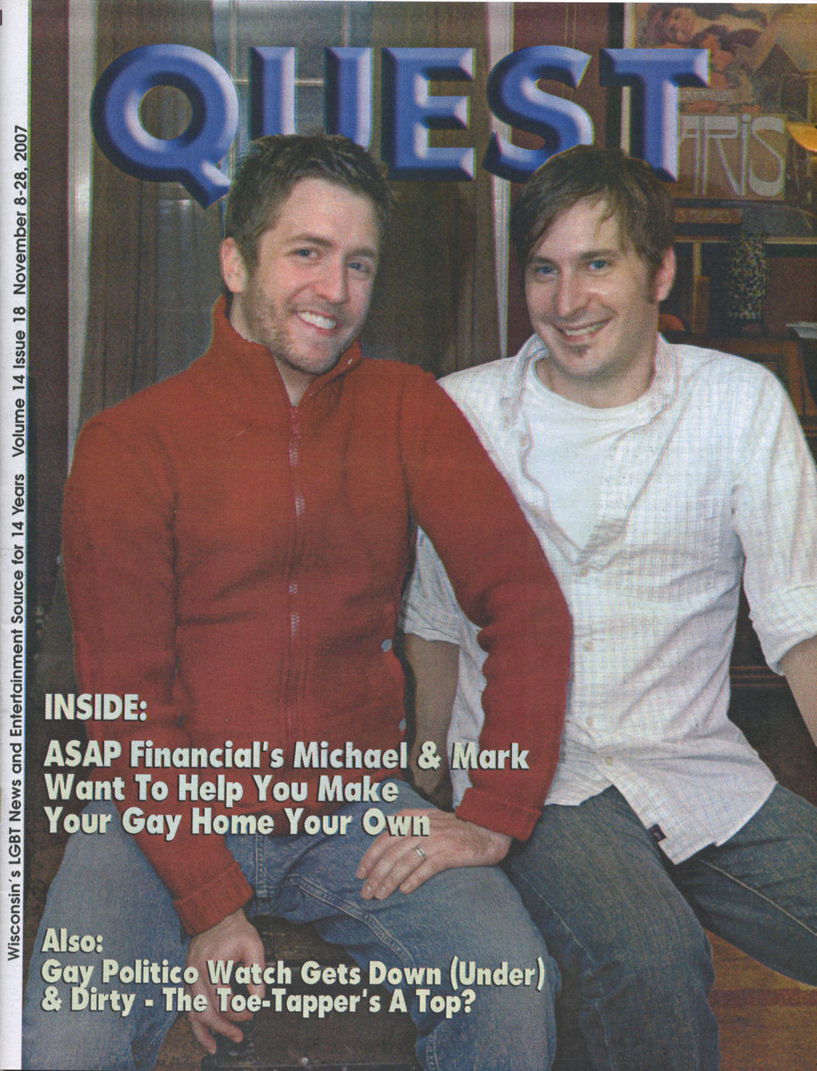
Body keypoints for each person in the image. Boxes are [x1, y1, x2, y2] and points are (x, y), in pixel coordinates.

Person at [23, 134, 572, 1071]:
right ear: (236, 262)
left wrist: (495, 809)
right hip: (162, 804)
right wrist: (209, 904)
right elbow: (125, 704)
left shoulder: (405, 407)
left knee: (509, 983)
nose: (334, 289)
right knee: (70, 1037)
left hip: (352, 805)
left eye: (359, 263)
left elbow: (526, 602)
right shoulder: (128, 443)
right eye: (306, 252)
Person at [402, 144, 817, 1070]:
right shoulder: (461, 411)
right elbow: (433, 621)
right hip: (534, 779)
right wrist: (429, 776)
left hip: (693, 767)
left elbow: (801, 625)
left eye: (596, 263)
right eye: (543, 270)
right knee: (650, 958)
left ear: (658, 273)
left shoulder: (738, 404)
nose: (567, 301)